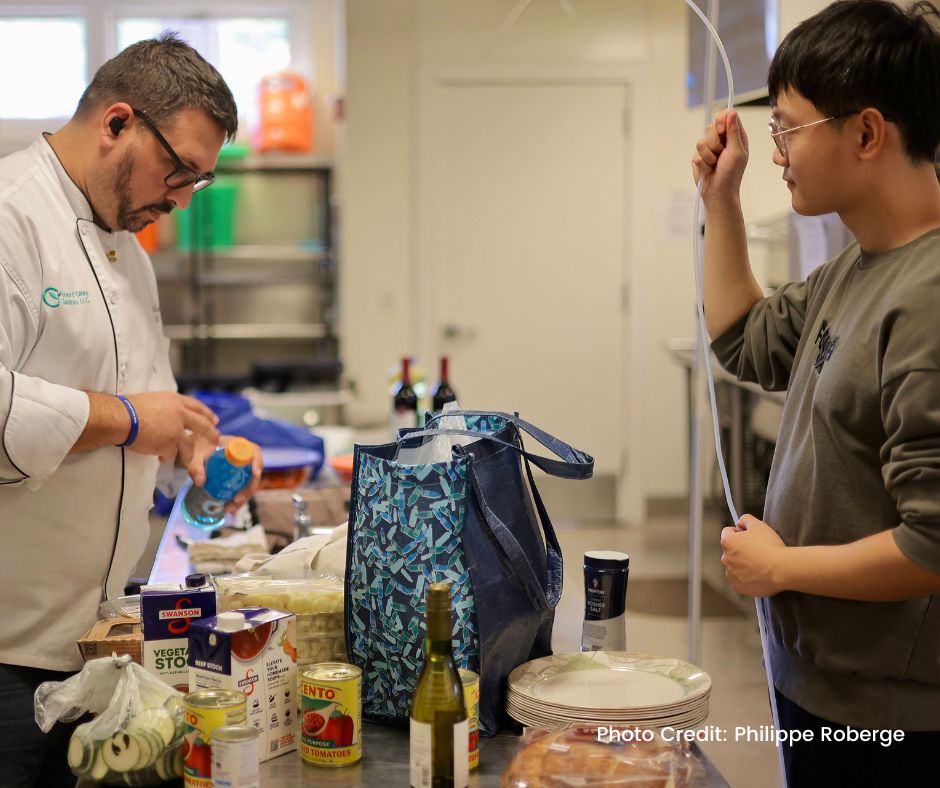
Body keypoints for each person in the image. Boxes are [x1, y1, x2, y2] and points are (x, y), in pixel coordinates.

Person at [0, 34, 261, 786]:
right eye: (179, 170)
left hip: (101, 646)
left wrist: (192, 456)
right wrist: (128, 418)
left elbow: (155, 401)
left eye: (197, 182)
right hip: (6, 653)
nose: (180, 198)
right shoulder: (13, 218)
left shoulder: (128, 249)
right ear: (118, 123)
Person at [692, 1, 940, 785]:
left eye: (788, 130)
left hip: (893, 713)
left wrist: (784, 568)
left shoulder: (929, 298)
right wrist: (720, 201)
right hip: (821, 682)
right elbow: (745, 339)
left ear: (866, 133)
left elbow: (931, 545)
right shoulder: (857, 267)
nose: (777, 155)